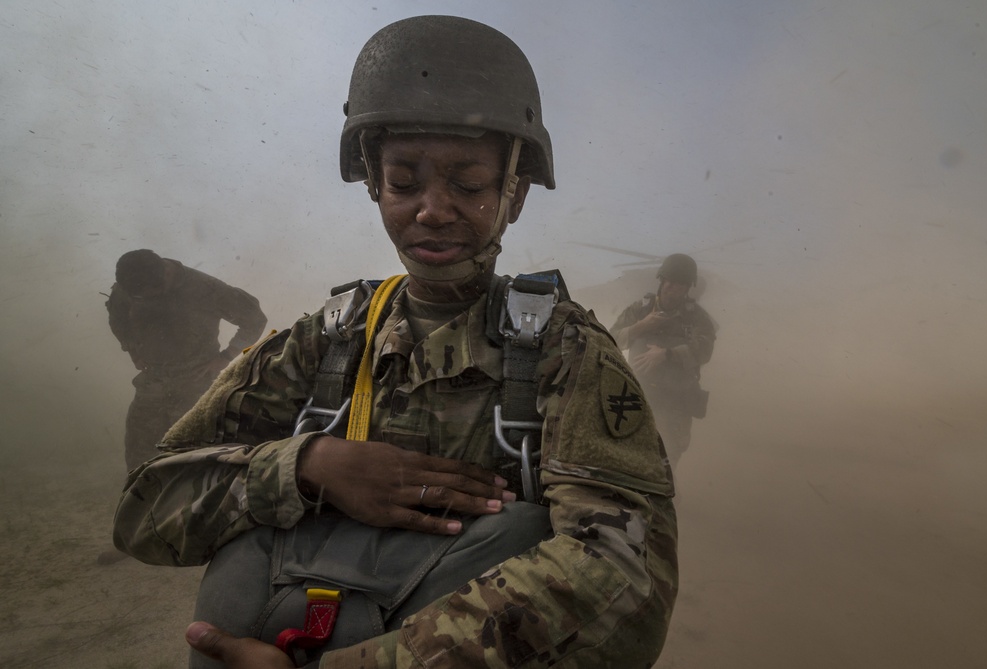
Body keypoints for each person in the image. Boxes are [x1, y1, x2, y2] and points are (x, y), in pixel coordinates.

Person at [113, 15, 677, 668]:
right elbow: (145, 510)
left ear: (514, 194)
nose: (432, 208)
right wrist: (307, 467)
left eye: (467, 183)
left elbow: (623, 576)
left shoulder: (564, 351)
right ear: (374, 183)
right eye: (405, 180)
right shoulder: (323, 340)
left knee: (523, 532)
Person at [107, 249, 268, 472]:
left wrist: (227, 356)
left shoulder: (204, 289)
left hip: (196, 381)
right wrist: (132, 349)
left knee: (194, 453)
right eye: (140, 297)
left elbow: (254, 319)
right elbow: (117, 317)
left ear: (164, 275)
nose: (147, 300)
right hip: (153, 381)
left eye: (151, 294)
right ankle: (145, 501)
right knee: (139, 453)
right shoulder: (130, 287)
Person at [610, 253, 716, 469]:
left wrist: (667, 354)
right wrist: (642, 326)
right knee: (625, 461)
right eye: (667, 280)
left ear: (688, 288)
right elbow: (609, 339)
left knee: (665, 465)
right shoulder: (640, 310)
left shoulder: (696, 317)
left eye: (678, 284)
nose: (670, 287)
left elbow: (704, 350)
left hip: (675, 404)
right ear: (661, 280)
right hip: (637, 399)